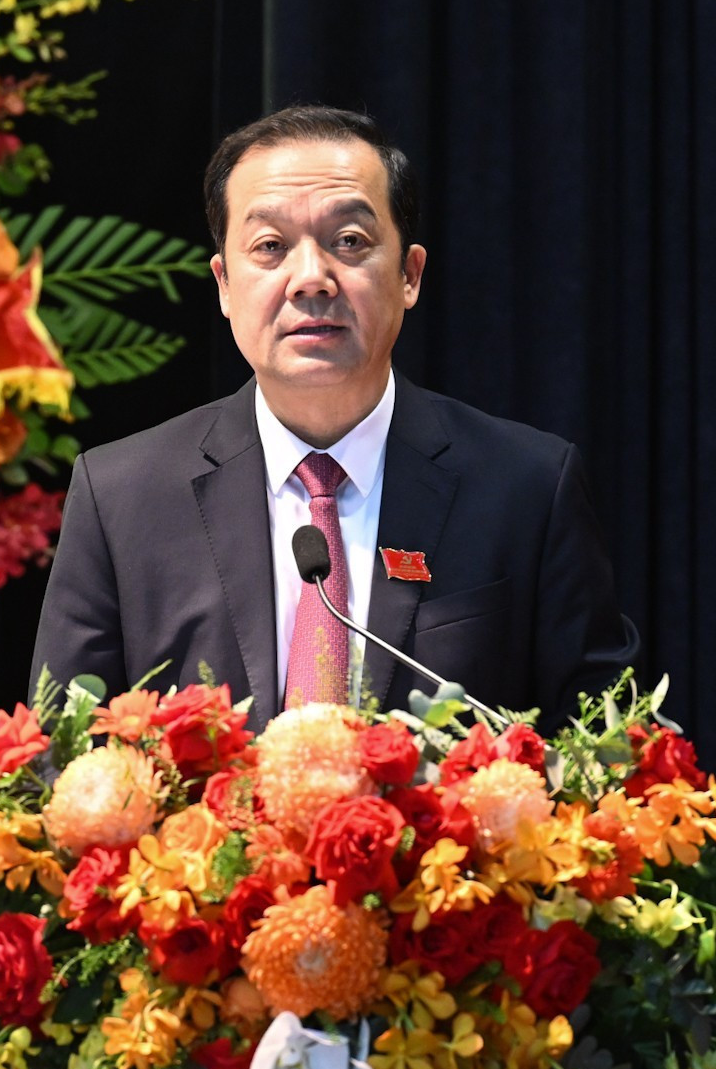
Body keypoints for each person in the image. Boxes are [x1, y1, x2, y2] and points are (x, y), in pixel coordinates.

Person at [31, 105, 639, 725]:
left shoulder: (526, 489)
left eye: (349, 242)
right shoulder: (122, 497)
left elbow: (605, 746)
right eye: (270, 247)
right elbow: (62, 750)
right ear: (223, 284)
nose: (311, 279)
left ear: (410, 274)